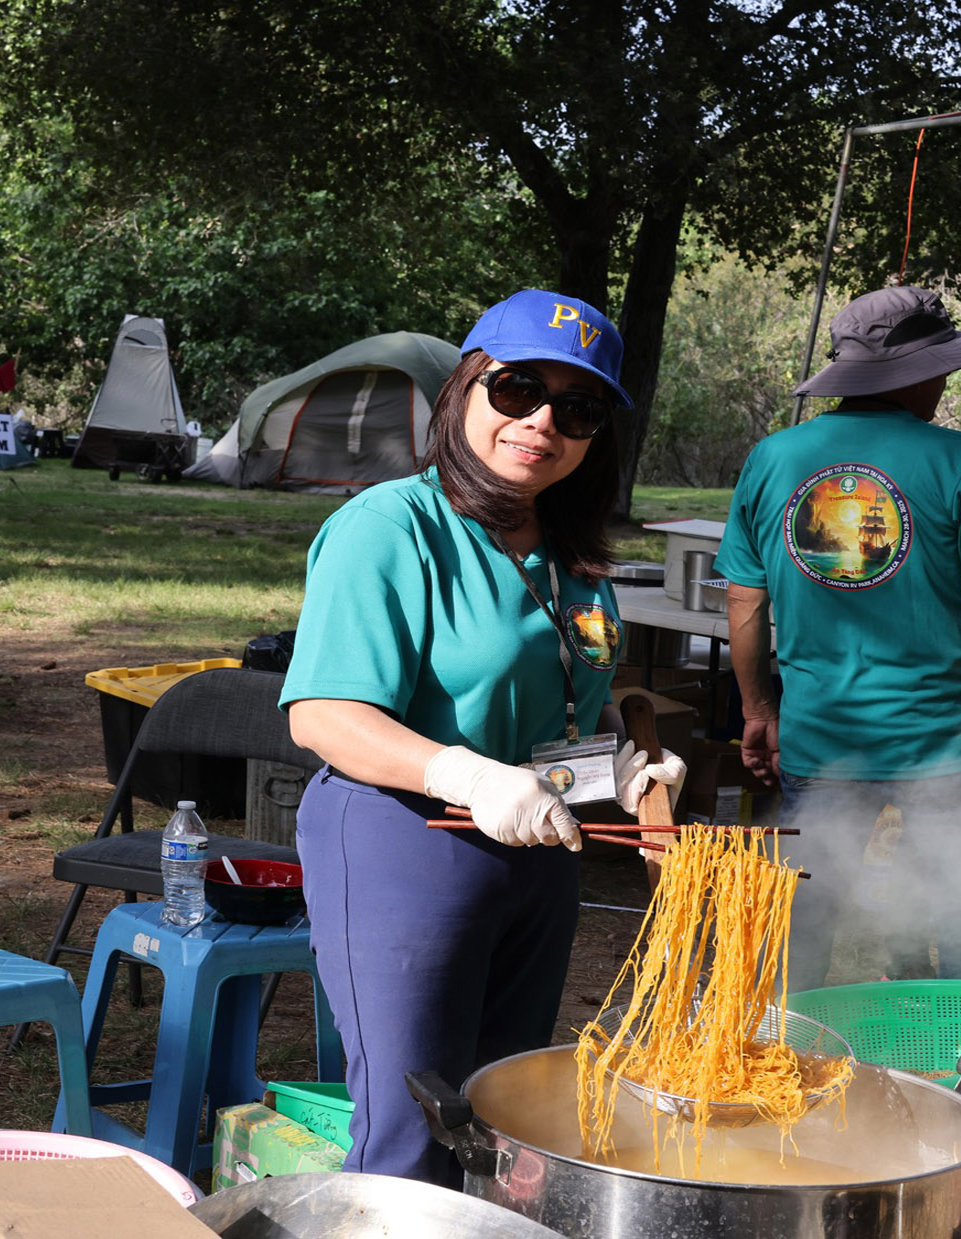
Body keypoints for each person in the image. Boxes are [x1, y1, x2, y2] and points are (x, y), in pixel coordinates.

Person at [280, 289, 685, 1184]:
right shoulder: (390, 526)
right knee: (416, 1125)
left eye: (577, 409)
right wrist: (466, 773)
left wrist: (620, 757)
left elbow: (567, 688)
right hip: (405, 840)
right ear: (463, 389)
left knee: (505, 1116)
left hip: (541, 848)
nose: (542, 422)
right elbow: (322, 714)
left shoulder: (568, 546)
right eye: (517, 390)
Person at [713, 286, 961, 991]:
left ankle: (783, 1041)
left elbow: (744, 599)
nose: (945, 382)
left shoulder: (773, 456)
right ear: (915, 373)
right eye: (941, 367)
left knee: (804, 913)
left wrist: (757, 710)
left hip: (822, 738)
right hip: (948, 745)